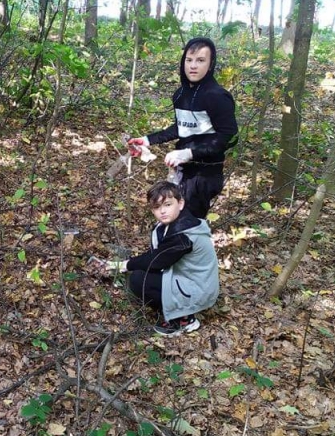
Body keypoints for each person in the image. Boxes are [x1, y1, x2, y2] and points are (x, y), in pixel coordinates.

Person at [128, 37, 238, 220]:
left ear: (210, 64)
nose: (193, 66)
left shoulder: (217, 96)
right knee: (171, 221)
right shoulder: (180, 95)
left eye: (200, 60)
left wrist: (189, 153)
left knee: (188, 225)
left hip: (204, 175)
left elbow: (230, 137)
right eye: (189, 60)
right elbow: (182, 126)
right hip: (181, 172)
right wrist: (147, 140)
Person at [95, 181, 219, 336]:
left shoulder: (183, 234)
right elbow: (159, 255)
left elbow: (156, 260)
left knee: (139, 279)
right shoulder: (173, 224)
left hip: (198, 289)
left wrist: (124, 265)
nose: (162, 211)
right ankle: (177, 310)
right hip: (191, 280)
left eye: (167, 205)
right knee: (140, 273)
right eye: (156, 207)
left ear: (180, 204)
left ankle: (183, 319)